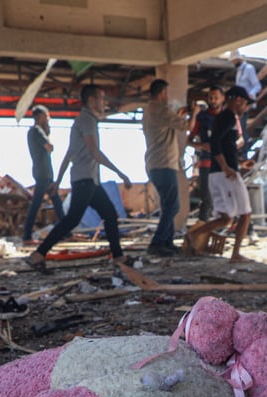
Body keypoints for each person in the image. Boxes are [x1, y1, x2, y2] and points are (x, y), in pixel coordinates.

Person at [26, 85, 133, 273]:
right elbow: (93, 151)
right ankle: (38, 254)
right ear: (91, 100)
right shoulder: (87, 120)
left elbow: (69, 154)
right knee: (71, 221)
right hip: (85, 180)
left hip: (89, 180)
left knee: (109, 214)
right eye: (101, 98)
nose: (104, 102)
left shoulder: (81, 121)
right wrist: (120, 173)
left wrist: (58, 181)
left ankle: (118, 256)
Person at [182, 86, 254, 263]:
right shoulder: (228, 116)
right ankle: (236, 254)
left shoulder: (224, 118)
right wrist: (226, 167)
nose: (245, 108)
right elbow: (214, 142)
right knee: (246, 214)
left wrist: (238, 163)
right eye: (245, 104)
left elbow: (223, 145)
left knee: (225, 218)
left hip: (217, 172)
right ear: (237, 100)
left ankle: (193, 235)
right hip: (225, 173)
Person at [143, 79, 193, 257]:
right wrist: (195, 114)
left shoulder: (148, 111)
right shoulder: (162, 111)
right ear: (162, 93)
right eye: (167, 93)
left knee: (167, 204)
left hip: (154, 164)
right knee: (173, 206)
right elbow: (187, 126)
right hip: (164, 164)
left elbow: (171, 123)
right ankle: (157, 243)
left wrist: (179, 114)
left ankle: (167, 242)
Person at [21, 105, 65, 243]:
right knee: (37, 205)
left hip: (44, 173)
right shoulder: (37, 131)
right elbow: (49, 147)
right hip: (43, 174)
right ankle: (27, 235)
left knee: (57, 203)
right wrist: (48, 133)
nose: (48, 119)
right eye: (46, 117)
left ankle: (66, 232)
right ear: (40, 117)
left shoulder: (35, 131)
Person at [190, 86, 225, 222]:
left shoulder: (228, 116)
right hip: (206, 162)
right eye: (211, 98)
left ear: (222, 98)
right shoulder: (202, 118)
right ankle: (201, 231)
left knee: (228, 197)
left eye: (216, 97)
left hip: (224, 163)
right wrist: (200, 145)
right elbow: (189, 139)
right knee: (207, 200)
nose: (213, 100)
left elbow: (239, 139)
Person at [231, 51, 261, 157]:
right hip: (239, 105)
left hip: (246, 104)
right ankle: (240, 151)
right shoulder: (239, 71)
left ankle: (244, 154)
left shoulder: (248, 69)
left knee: (242, 127)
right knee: (238, 127)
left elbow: (257, 86)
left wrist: (249, 96)